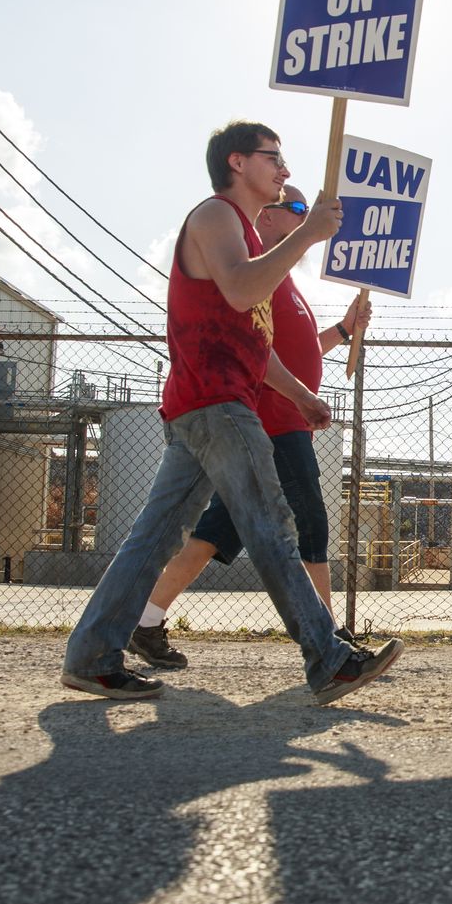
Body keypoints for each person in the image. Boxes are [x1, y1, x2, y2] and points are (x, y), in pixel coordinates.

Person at [60, 122, 401, 702]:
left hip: (207, 404)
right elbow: (243, 292)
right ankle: (329, 658)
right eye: (274, 159)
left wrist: (301, 396)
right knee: (272, 525)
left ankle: (92, 655)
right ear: (238, 162)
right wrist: (310, 234)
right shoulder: (216, 215)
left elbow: (253, 342)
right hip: (216, 405)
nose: (285, 171)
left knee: (155, 536)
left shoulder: (242, 233)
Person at [127, 183, 371, 671]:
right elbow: (253, 349)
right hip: (269, 419)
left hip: (278, 418)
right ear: (269, 217)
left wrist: (344, 331)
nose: (309, 214)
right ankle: (332, 640)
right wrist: (300, 398)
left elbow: (295, 353)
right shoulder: (262, 272)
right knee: (309, 524)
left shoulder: (282, 279)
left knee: (213, 534)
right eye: (298, 207)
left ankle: (146, 621)